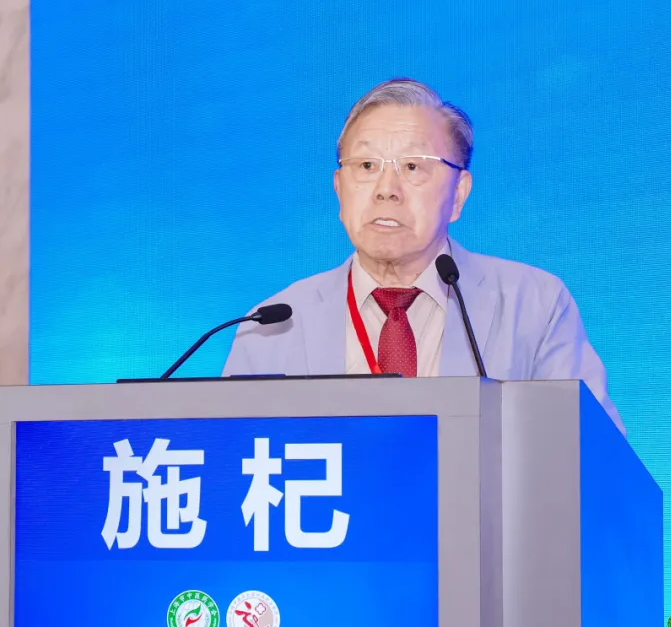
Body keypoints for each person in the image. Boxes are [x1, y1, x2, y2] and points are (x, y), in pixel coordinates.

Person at [222, 78, 625, 436]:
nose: (386, 189)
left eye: (413, 167)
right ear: (339, 188)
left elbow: (595, 459)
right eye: (366, 165)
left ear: (459, 193)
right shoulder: (272, 324)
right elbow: (226, 467)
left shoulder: (535, 304)